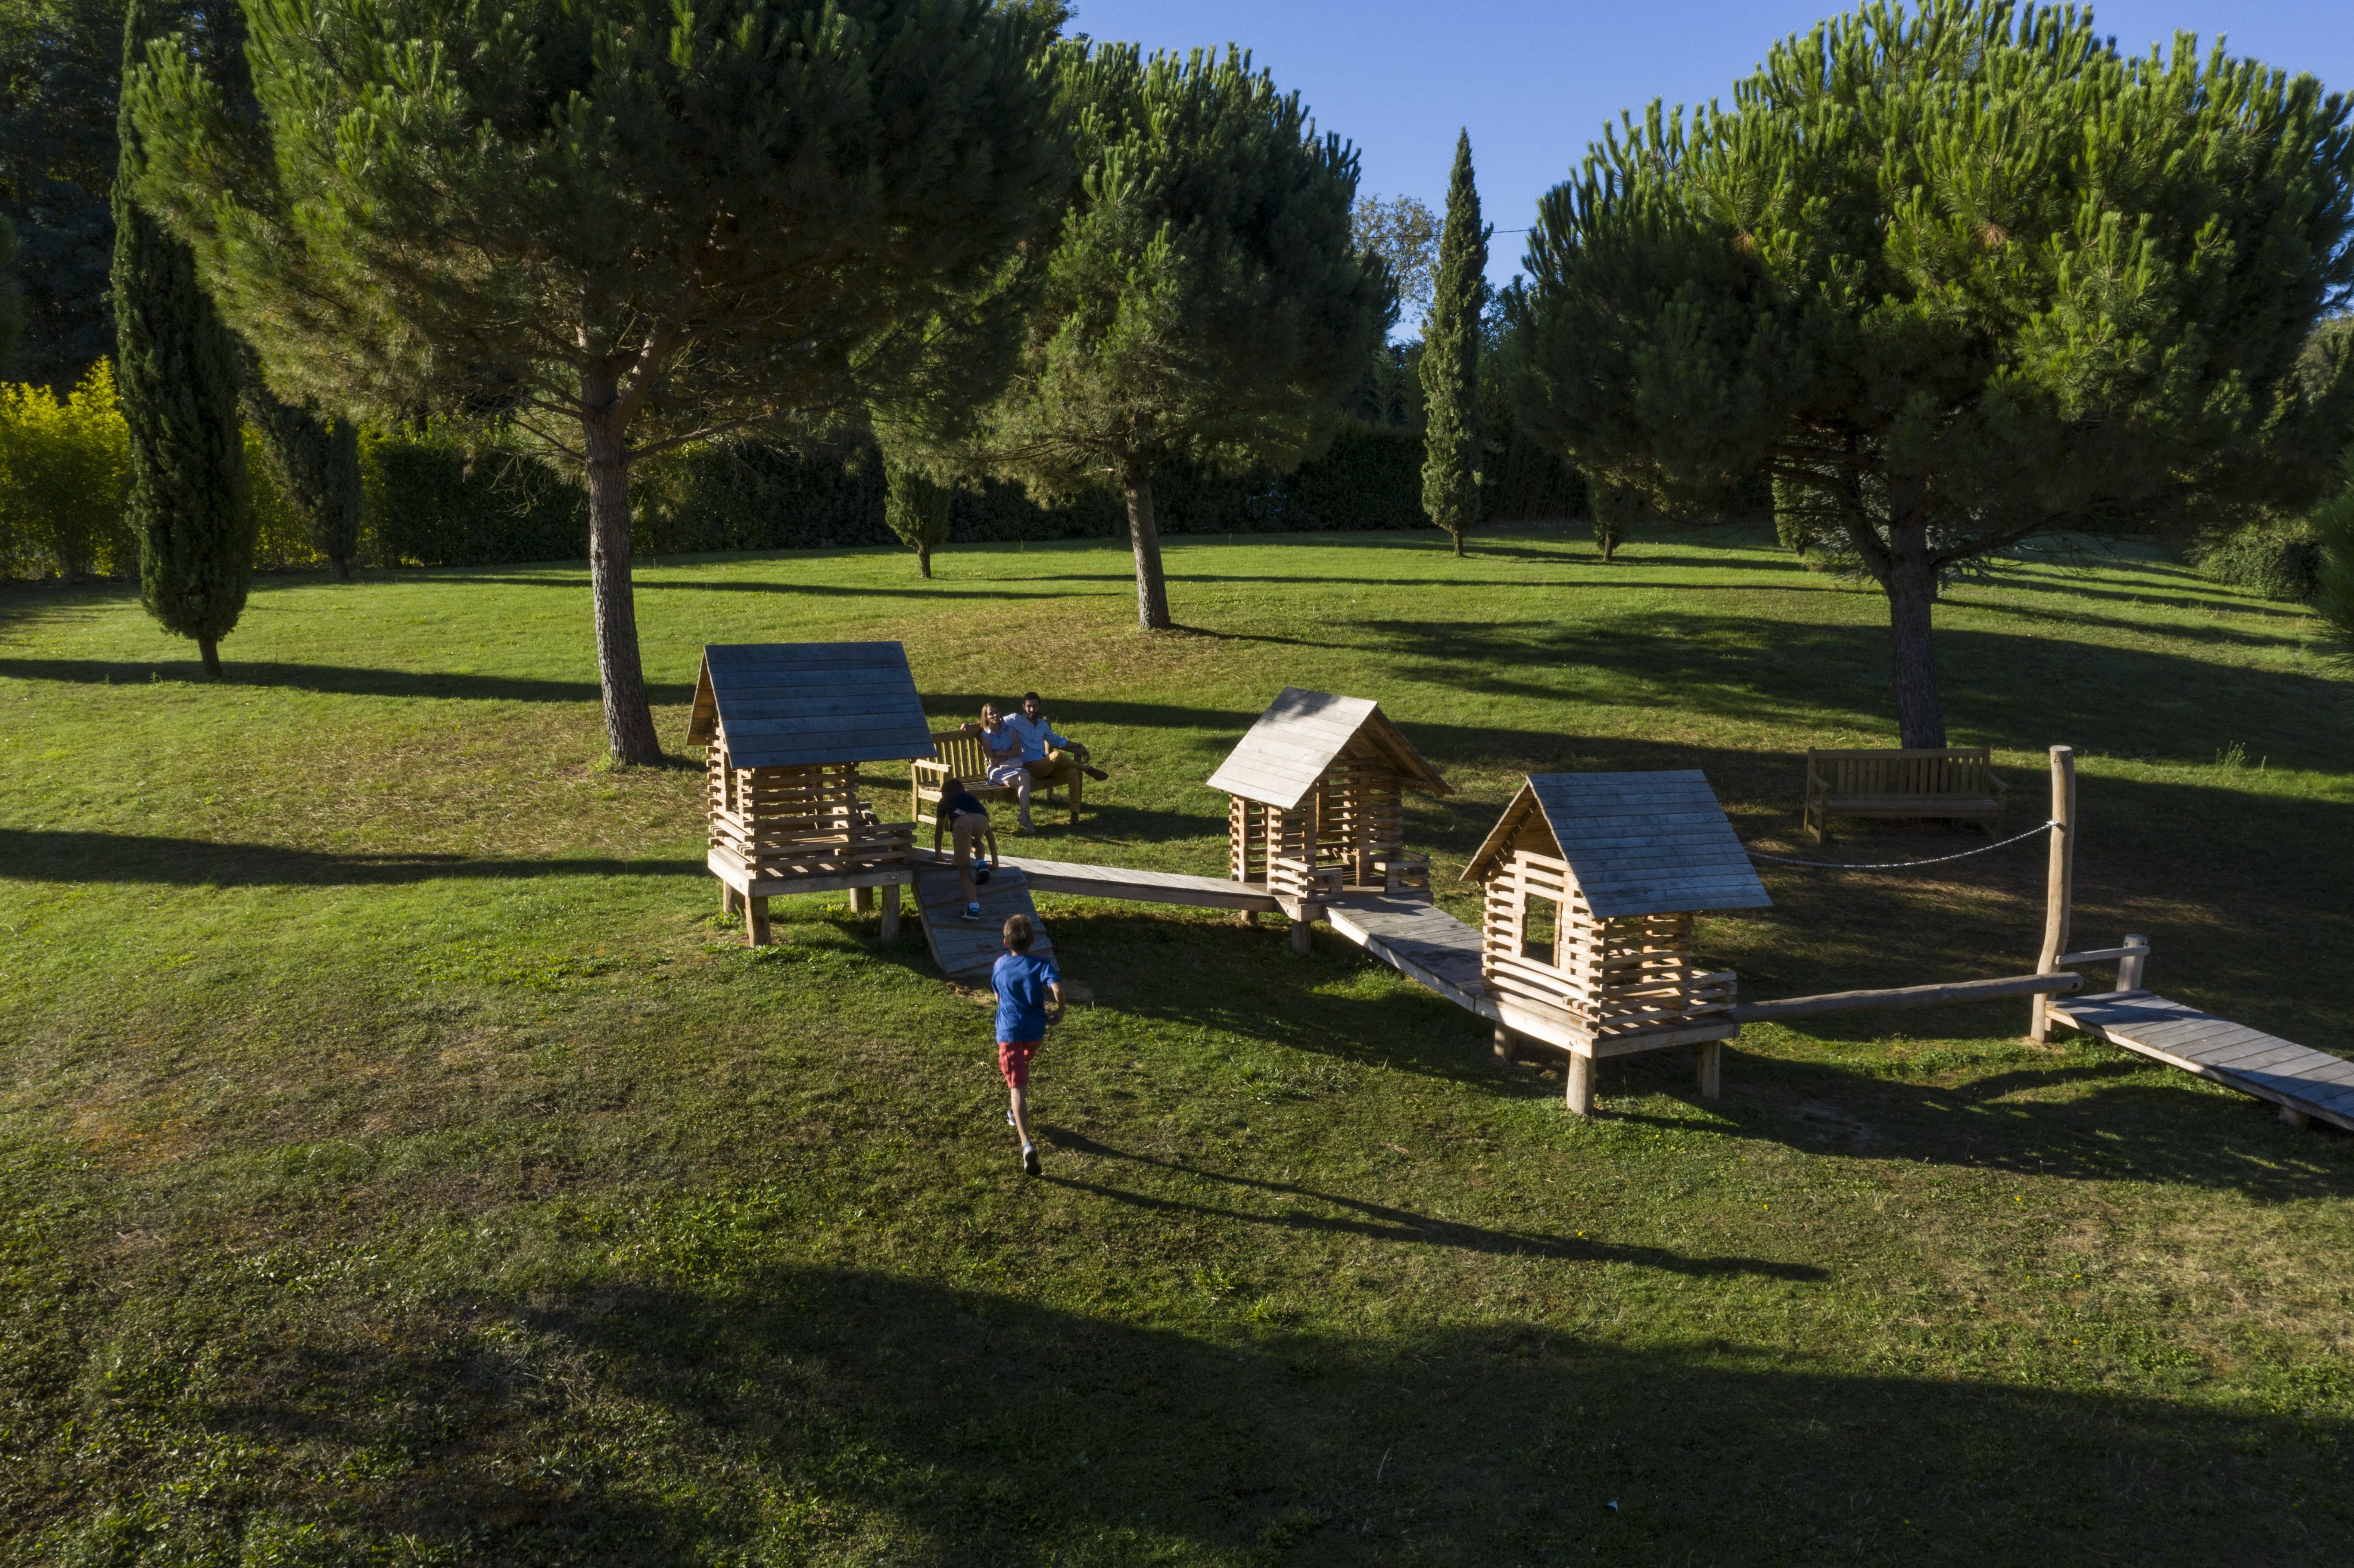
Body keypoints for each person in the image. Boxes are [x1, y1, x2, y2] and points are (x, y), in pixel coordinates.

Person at [990, 913, 1063, 1176]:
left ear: (1005, 941)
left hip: (1009, 1035)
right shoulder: (1041, 964)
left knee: (1017, 1087)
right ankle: (1013, 1109)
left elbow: (998, 995)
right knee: (1021, 1063)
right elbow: (1057, 989)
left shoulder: (999, 965)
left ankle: (1027, 1145)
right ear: (1033, 940)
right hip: (1035, 1033)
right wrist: (1061, 1011)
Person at [1004, 691, 1109, 827]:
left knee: (1072, 771)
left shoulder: (1042, 725)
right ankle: (1087, 769)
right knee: (1056, 756)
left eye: (1035, 706)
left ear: (1039, 706)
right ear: (1023, 707)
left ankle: (1075, 813)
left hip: (1045, 764)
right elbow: (993, 720)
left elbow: (1056, 741)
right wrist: (970, 726)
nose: (1032, 709)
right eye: (1029, 706)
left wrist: (1078, 746)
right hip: (1030, 767)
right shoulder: (1014, 719)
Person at [931, 775, 998, 922]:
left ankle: (973, 907)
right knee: (976, 840)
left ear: (944, 793)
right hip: (982, 820)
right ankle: (982, 864)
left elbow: (939, 830)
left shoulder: (944, 801)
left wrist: (939, 855)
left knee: (964, 869)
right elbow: (990, 836)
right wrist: (995, 862)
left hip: (962, 822)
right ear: (963, 790)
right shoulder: (971, 797)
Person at [959, 700, 1034, 830]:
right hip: (996, 771)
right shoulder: (985, 736)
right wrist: (1008, 754)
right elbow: (992, 761)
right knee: (1025, 782)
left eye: (996, 712)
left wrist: (1002, 755)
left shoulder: (1009, 729)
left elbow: (1018, 751)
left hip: (1013, 767)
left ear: (1000, 714)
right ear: (986, 718)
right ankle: (1028, 821)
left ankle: (1024, 816)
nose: (995, 715)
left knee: (1024, 778)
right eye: (991, 714)